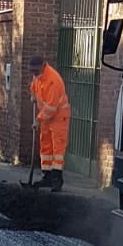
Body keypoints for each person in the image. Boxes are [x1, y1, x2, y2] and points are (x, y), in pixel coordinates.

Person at [28, 55, 70, 192]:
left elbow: (52, 107)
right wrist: (32, 94)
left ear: (42, 66)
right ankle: (47, 176)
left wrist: (38, 120)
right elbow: (34, 87)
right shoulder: (38, 76)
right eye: (32, 71)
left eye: (35, 70)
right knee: (45, 147)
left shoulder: (53, 80)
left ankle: (57, 180)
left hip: (58, 117)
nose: (33, 73)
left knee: (57, 149)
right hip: (46, 117)